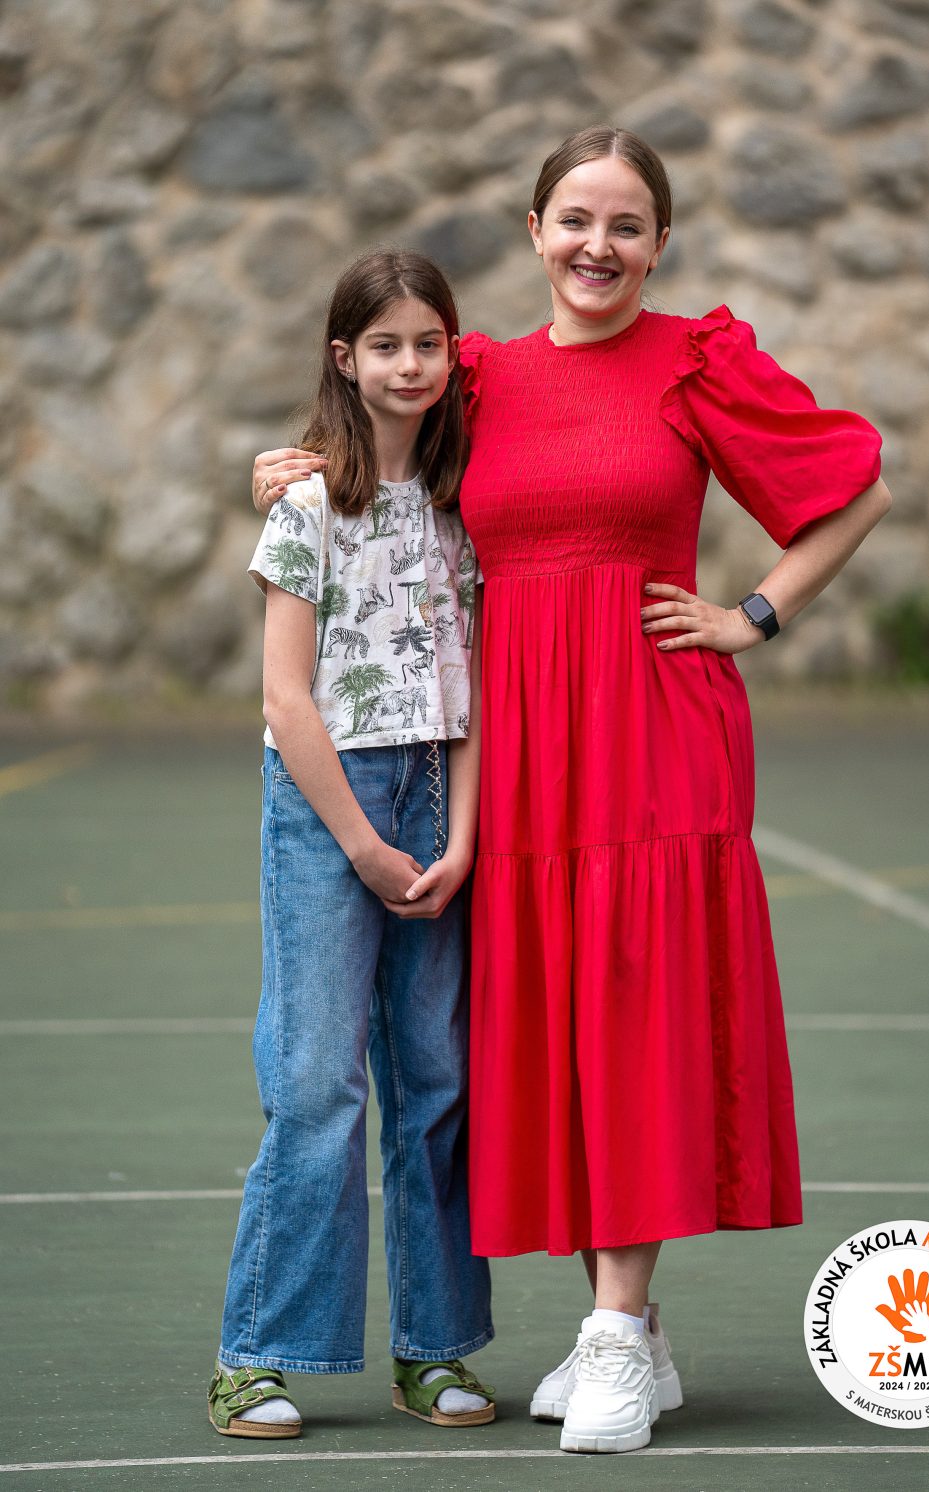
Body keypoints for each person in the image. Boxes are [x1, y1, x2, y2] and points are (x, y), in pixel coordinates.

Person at [252, 125, 891, 1455]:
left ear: (659, 244)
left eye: (627, 225)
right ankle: (635, 1334)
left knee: (635, 1010)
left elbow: (853, 491)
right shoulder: (480, 378)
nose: (598, 246)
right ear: (536, 231)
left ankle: (611, 1324)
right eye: (576, 220)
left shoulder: (698, 362)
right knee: (555, 1022)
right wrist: (285, 467)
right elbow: (372, 443)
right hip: (517, 748)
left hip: (656, 731)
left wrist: (754, 615)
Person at [209, 250, 494, 1442]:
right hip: (331, 799)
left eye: (429, 343)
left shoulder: (472, 502)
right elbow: (286, 699)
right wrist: (366, 846)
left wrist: (460, 838)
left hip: (439, 793)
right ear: (346, 358)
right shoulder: (308, 505)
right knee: (319, 1080)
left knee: (437, 1080)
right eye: (386, 345)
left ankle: (433, 1348)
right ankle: (256, 1353)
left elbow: (476, 697)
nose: (410, 364)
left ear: (452, 353)